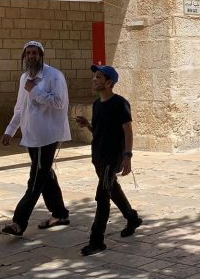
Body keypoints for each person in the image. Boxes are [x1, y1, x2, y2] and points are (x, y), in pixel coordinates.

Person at [1, 41, 71, 236]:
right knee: (45, 174)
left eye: (35, 53)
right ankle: (60, 213)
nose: (31, 56)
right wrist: (10, 130)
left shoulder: (54, 76)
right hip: (31, 136)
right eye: (28, 53)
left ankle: (19, 222)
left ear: (41, 55)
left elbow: (59, 102)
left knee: (36, 179)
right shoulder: (24, 78)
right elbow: (19, 107)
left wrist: (35, 90)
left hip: (46, 136)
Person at [75, 65, 142, 256]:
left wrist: (128, 156)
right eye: (94, 76)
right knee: (112, 188)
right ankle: (132, 218)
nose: (94, 79)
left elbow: (128, 131)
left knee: (102, 196)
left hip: (111, 158)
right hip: (98, 157)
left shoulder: (120, 103)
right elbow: (98, 131)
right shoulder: (97, 104)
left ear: (109, 82)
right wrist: (87, 124)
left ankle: (97, 240)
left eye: (98, 77)